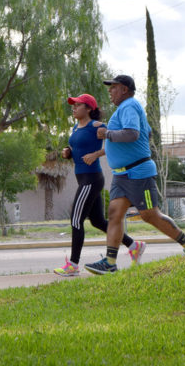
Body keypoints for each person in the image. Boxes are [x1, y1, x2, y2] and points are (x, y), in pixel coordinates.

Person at [84, 75, 185, 275]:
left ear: (124, 89)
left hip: (138, 173)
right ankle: (110, 262)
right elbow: (147, 133)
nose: (110, 92)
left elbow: (133, 134)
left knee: (150, 216)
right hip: (121, 176)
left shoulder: (129, 106)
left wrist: (108, 134)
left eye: (113, 88)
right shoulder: (125, 109)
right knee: (114, 215)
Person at [53, 93, 146, 277]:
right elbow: (78, 148)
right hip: (83, 177)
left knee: (75, 220)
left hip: (91, 179)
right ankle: (134, 245)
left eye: (78, 105)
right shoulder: (76, 127)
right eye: (73, 105)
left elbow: (116, 142)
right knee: (97, 221)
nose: (73, 108)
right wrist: (68, 152)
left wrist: (96, 154)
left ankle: (73, 265)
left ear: (89, 108)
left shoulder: (96, 126)